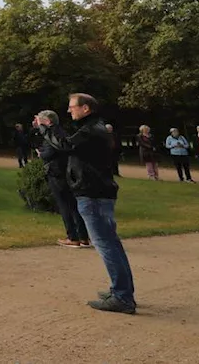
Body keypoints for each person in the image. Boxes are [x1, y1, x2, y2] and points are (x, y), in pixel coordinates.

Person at [62, 93, 136, 315]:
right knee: (111, 243)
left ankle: (122, 297)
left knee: (106, 245)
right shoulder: (96, 128)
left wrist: (48, 128)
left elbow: (65, 145)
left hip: (92, 193)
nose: (69, 110)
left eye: (72, 106)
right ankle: (122, 291)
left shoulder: (91, 130)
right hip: (98, 191)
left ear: (86, 108)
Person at [36, 110, 90, 249]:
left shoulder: (53, 134)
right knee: (73, 204)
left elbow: (50, 153)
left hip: (57, 172)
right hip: (66, 171)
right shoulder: (62, 132)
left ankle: (73, 237)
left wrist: (41, 154)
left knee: (65, 205)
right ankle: (83, 237)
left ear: (48, 121)